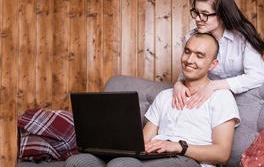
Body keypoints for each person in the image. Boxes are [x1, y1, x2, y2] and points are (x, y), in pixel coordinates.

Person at [65, 33, 240, 167]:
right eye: (187, 52)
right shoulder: (165, 96)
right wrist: (113, 145)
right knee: (79, 162)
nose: (189, 60)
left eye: (199, 55)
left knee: (121, 165)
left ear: (213, 64)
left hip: (189, 158)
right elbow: (143, 141)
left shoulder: (221, 97)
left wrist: (179, 146)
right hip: (157, 155)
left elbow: (222, 153)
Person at [173, 0, 264, 110]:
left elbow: (259, 76)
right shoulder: (192, 37)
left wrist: (214, 86)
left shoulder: (242, 38)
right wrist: (179, 84)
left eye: (205, 14)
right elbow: (189, 68)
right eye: (196, 12)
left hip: (244, 101)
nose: (197, 19)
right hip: (208, 101)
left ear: (222, 14)